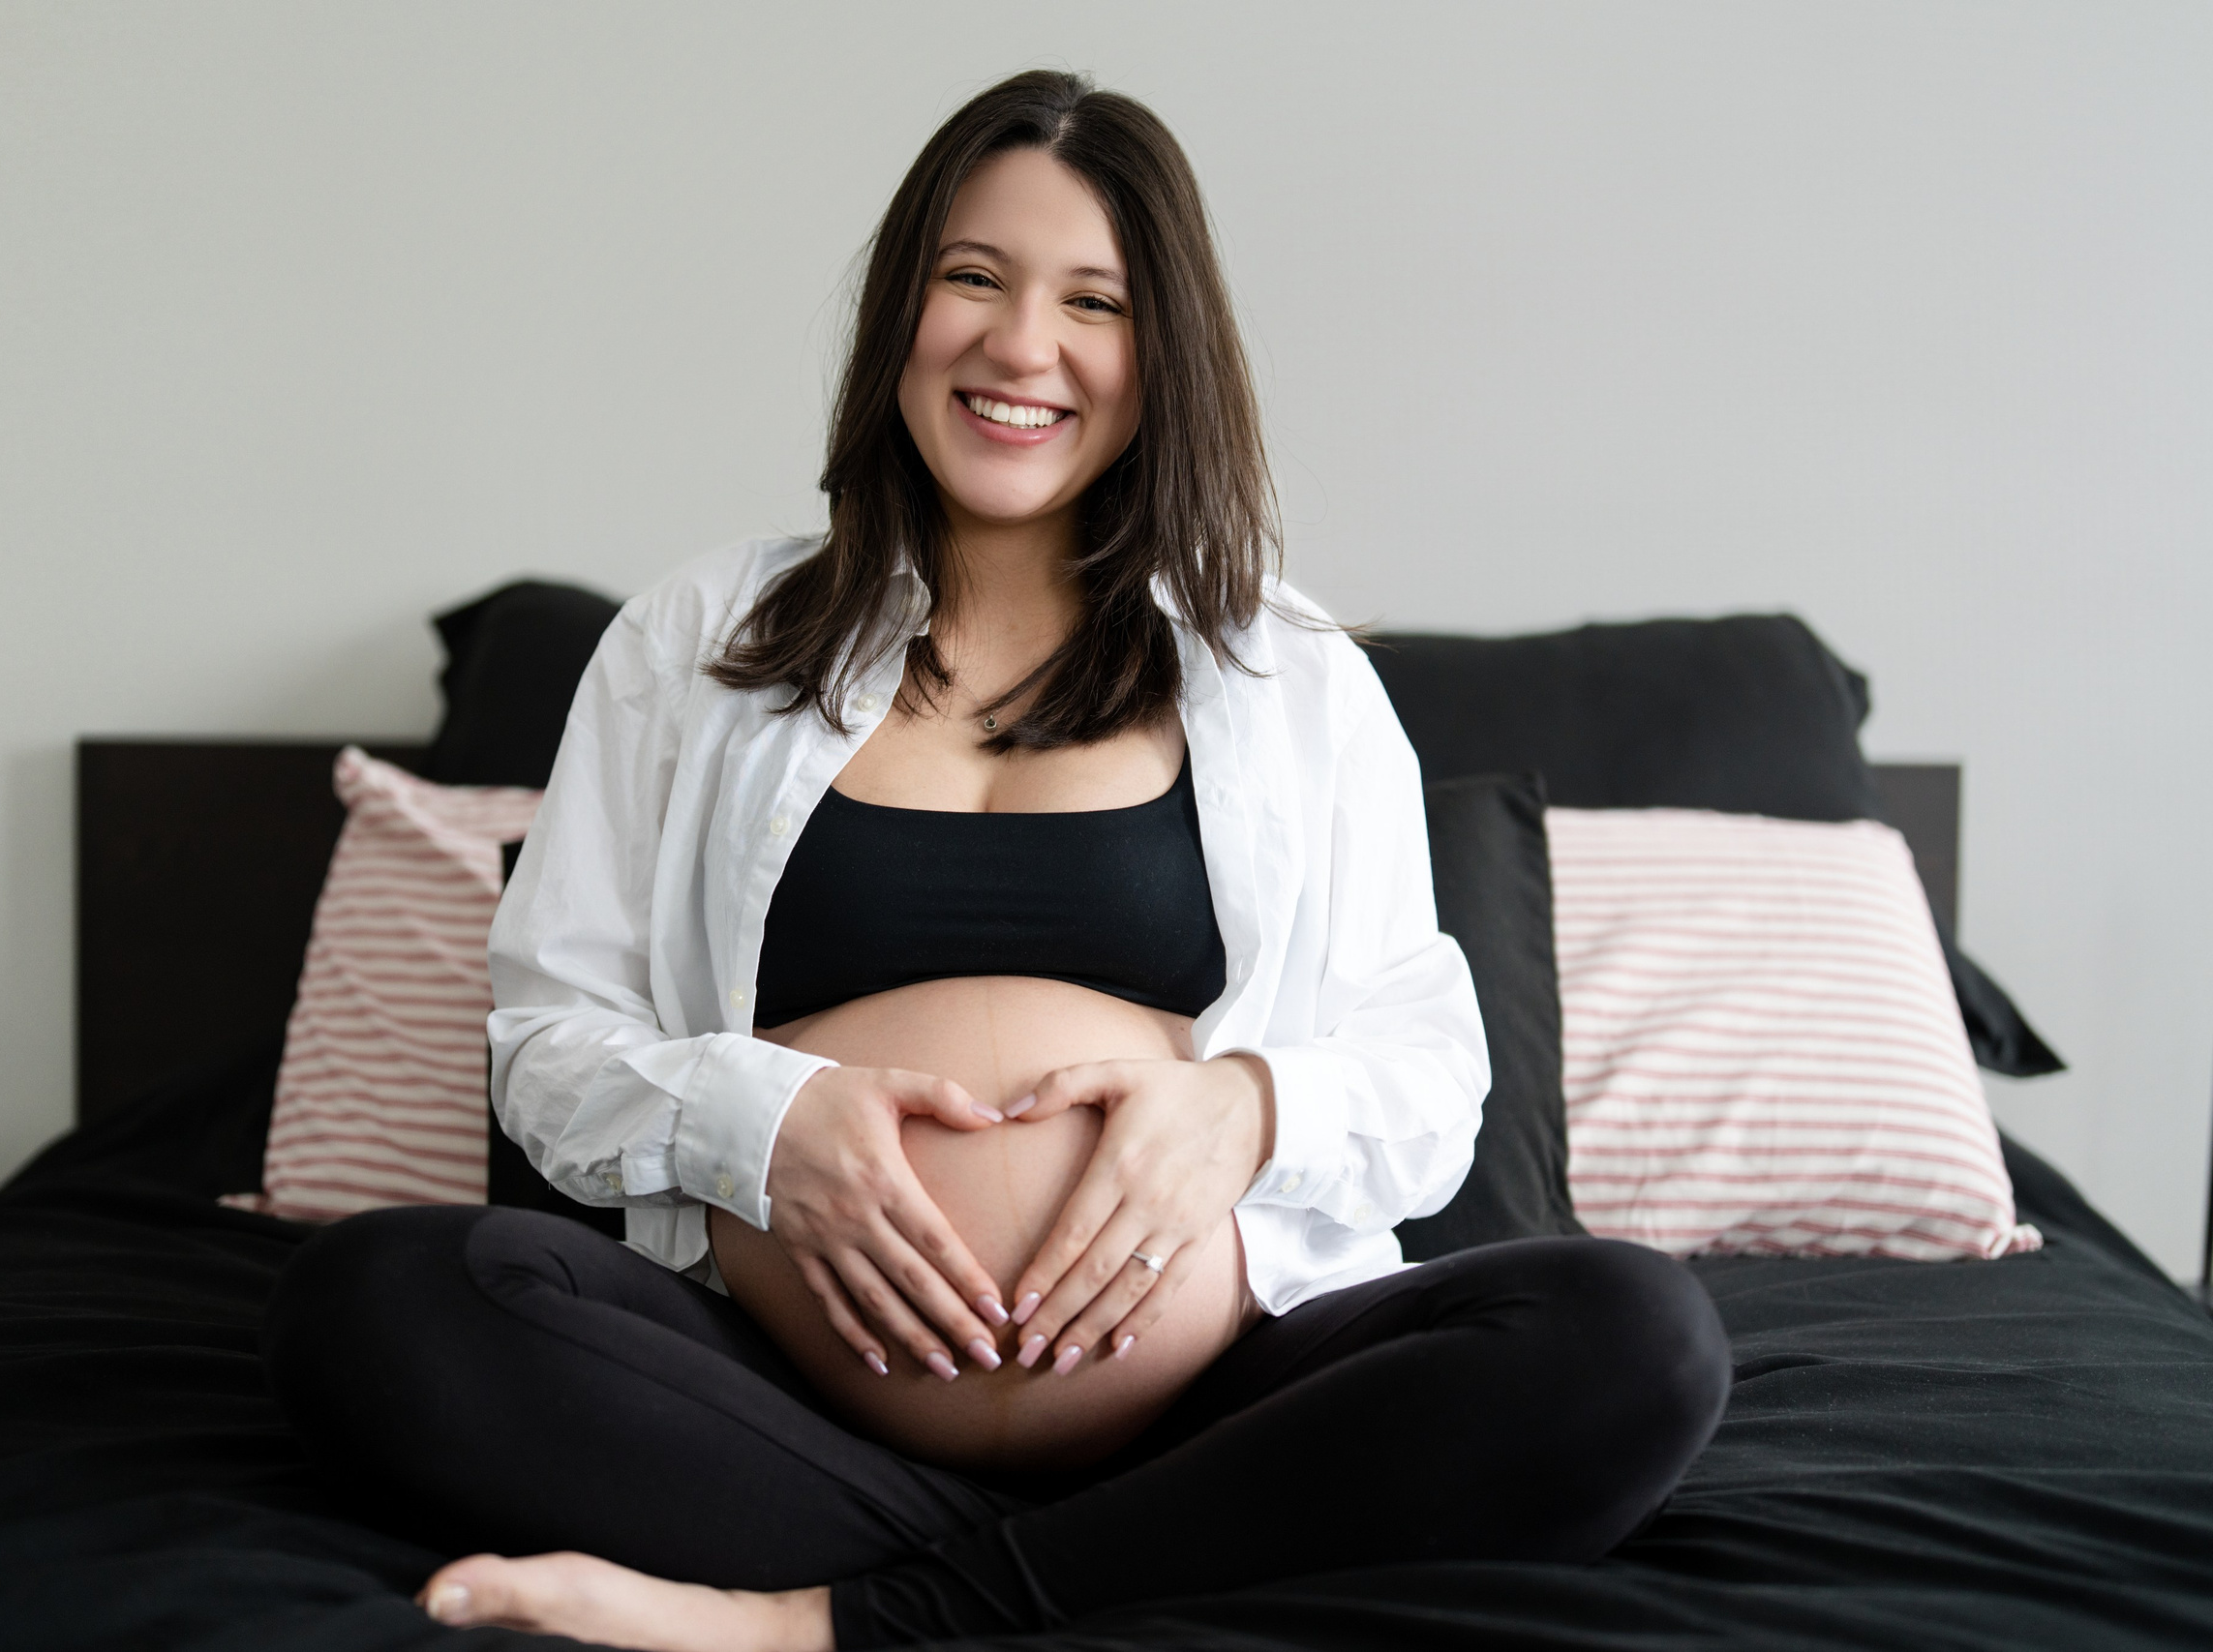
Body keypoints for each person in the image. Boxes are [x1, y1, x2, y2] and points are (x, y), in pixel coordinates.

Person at [262, 69, 1731, 1652]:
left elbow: (1429, 1076)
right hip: (770, 1388)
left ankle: (811, 1622)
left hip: (1216, 1395)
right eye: (974, 278)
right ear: (902, 307)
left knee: (1632, 1341)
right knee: (387, 1303)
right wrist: (763, 1123)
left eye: (1091, 300)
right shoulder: (697, 642)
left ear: (1161, 354)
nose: (1021, 347)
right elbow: (549, 1049)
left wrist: (1241, 1113)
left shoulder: (1287, 675)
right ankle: (1123, 1570)